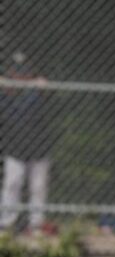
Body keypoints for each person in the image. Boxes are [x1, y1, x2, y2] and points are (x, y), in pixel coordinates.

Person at [0, 52, 58, 237]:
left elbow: (49, 92)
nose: (19, 76)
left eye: (24, 72)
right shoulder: (6, 92)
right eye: (15, 72)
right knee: (12, 182)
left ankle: (36, 224)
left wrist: (39, 86)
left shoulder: (37, 90)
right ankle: (6, 223)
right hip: (14, 146)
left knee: (38, 186)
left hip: (39, 146)